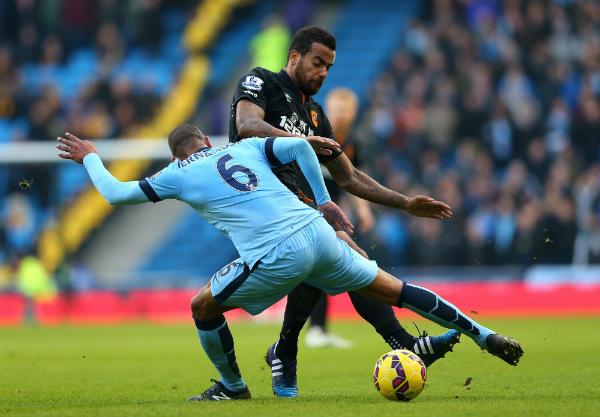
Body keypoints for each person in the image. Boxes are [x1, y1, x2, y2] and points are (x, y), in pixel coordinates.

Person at [56, 127, 524, 402]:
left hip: (276, 251)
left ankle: (233, 387)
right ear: (206, 140)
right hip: (318, 233)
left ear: (177, 153)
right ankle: (483, 334)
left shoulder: (177, 172)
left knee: (202, 306)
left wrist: (91, 157)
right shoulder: (243, 147)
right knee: (395, 289)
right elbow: (301, 147)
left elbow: (115, 193)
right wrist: (323, 201)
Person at [230, 26, 458, 397]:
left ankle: (286, 351)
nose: (323, 72)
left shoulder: (315, 115)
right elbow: (246, 125)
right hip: (254, 201)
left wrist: (405, 203)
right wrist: (301, 142)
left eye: (329, 67)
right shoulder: (261, 81)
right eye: (317, 62)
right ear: (294, 56)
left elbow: (349, 177)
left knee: (342, 255)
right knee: (339, 251)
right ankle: (399, 342)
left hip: (295, 210)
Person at [305, 87, 373, 349]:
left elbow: (355, 181)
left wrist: (364, 211)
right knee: (322, 265)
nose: (341, 115)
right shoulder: (314, 135)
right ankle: (314, 328)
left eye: (346, 110)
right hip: (305, 208)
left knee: (324, 266)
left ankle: (318, 329)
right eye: (337, 110)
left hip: (329, 214)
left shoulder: (353, 143)